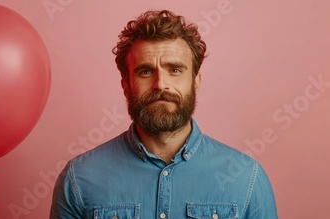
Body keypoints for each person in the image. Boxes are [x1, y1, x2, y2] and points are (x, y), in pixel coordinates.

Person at [50, 10, 277, 219]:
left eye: (175, 70)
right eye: (146, 71)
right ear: (126, 85)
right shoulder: (79, 179)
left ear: (196, 82)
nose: (161, 84)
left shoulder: (247, 179)